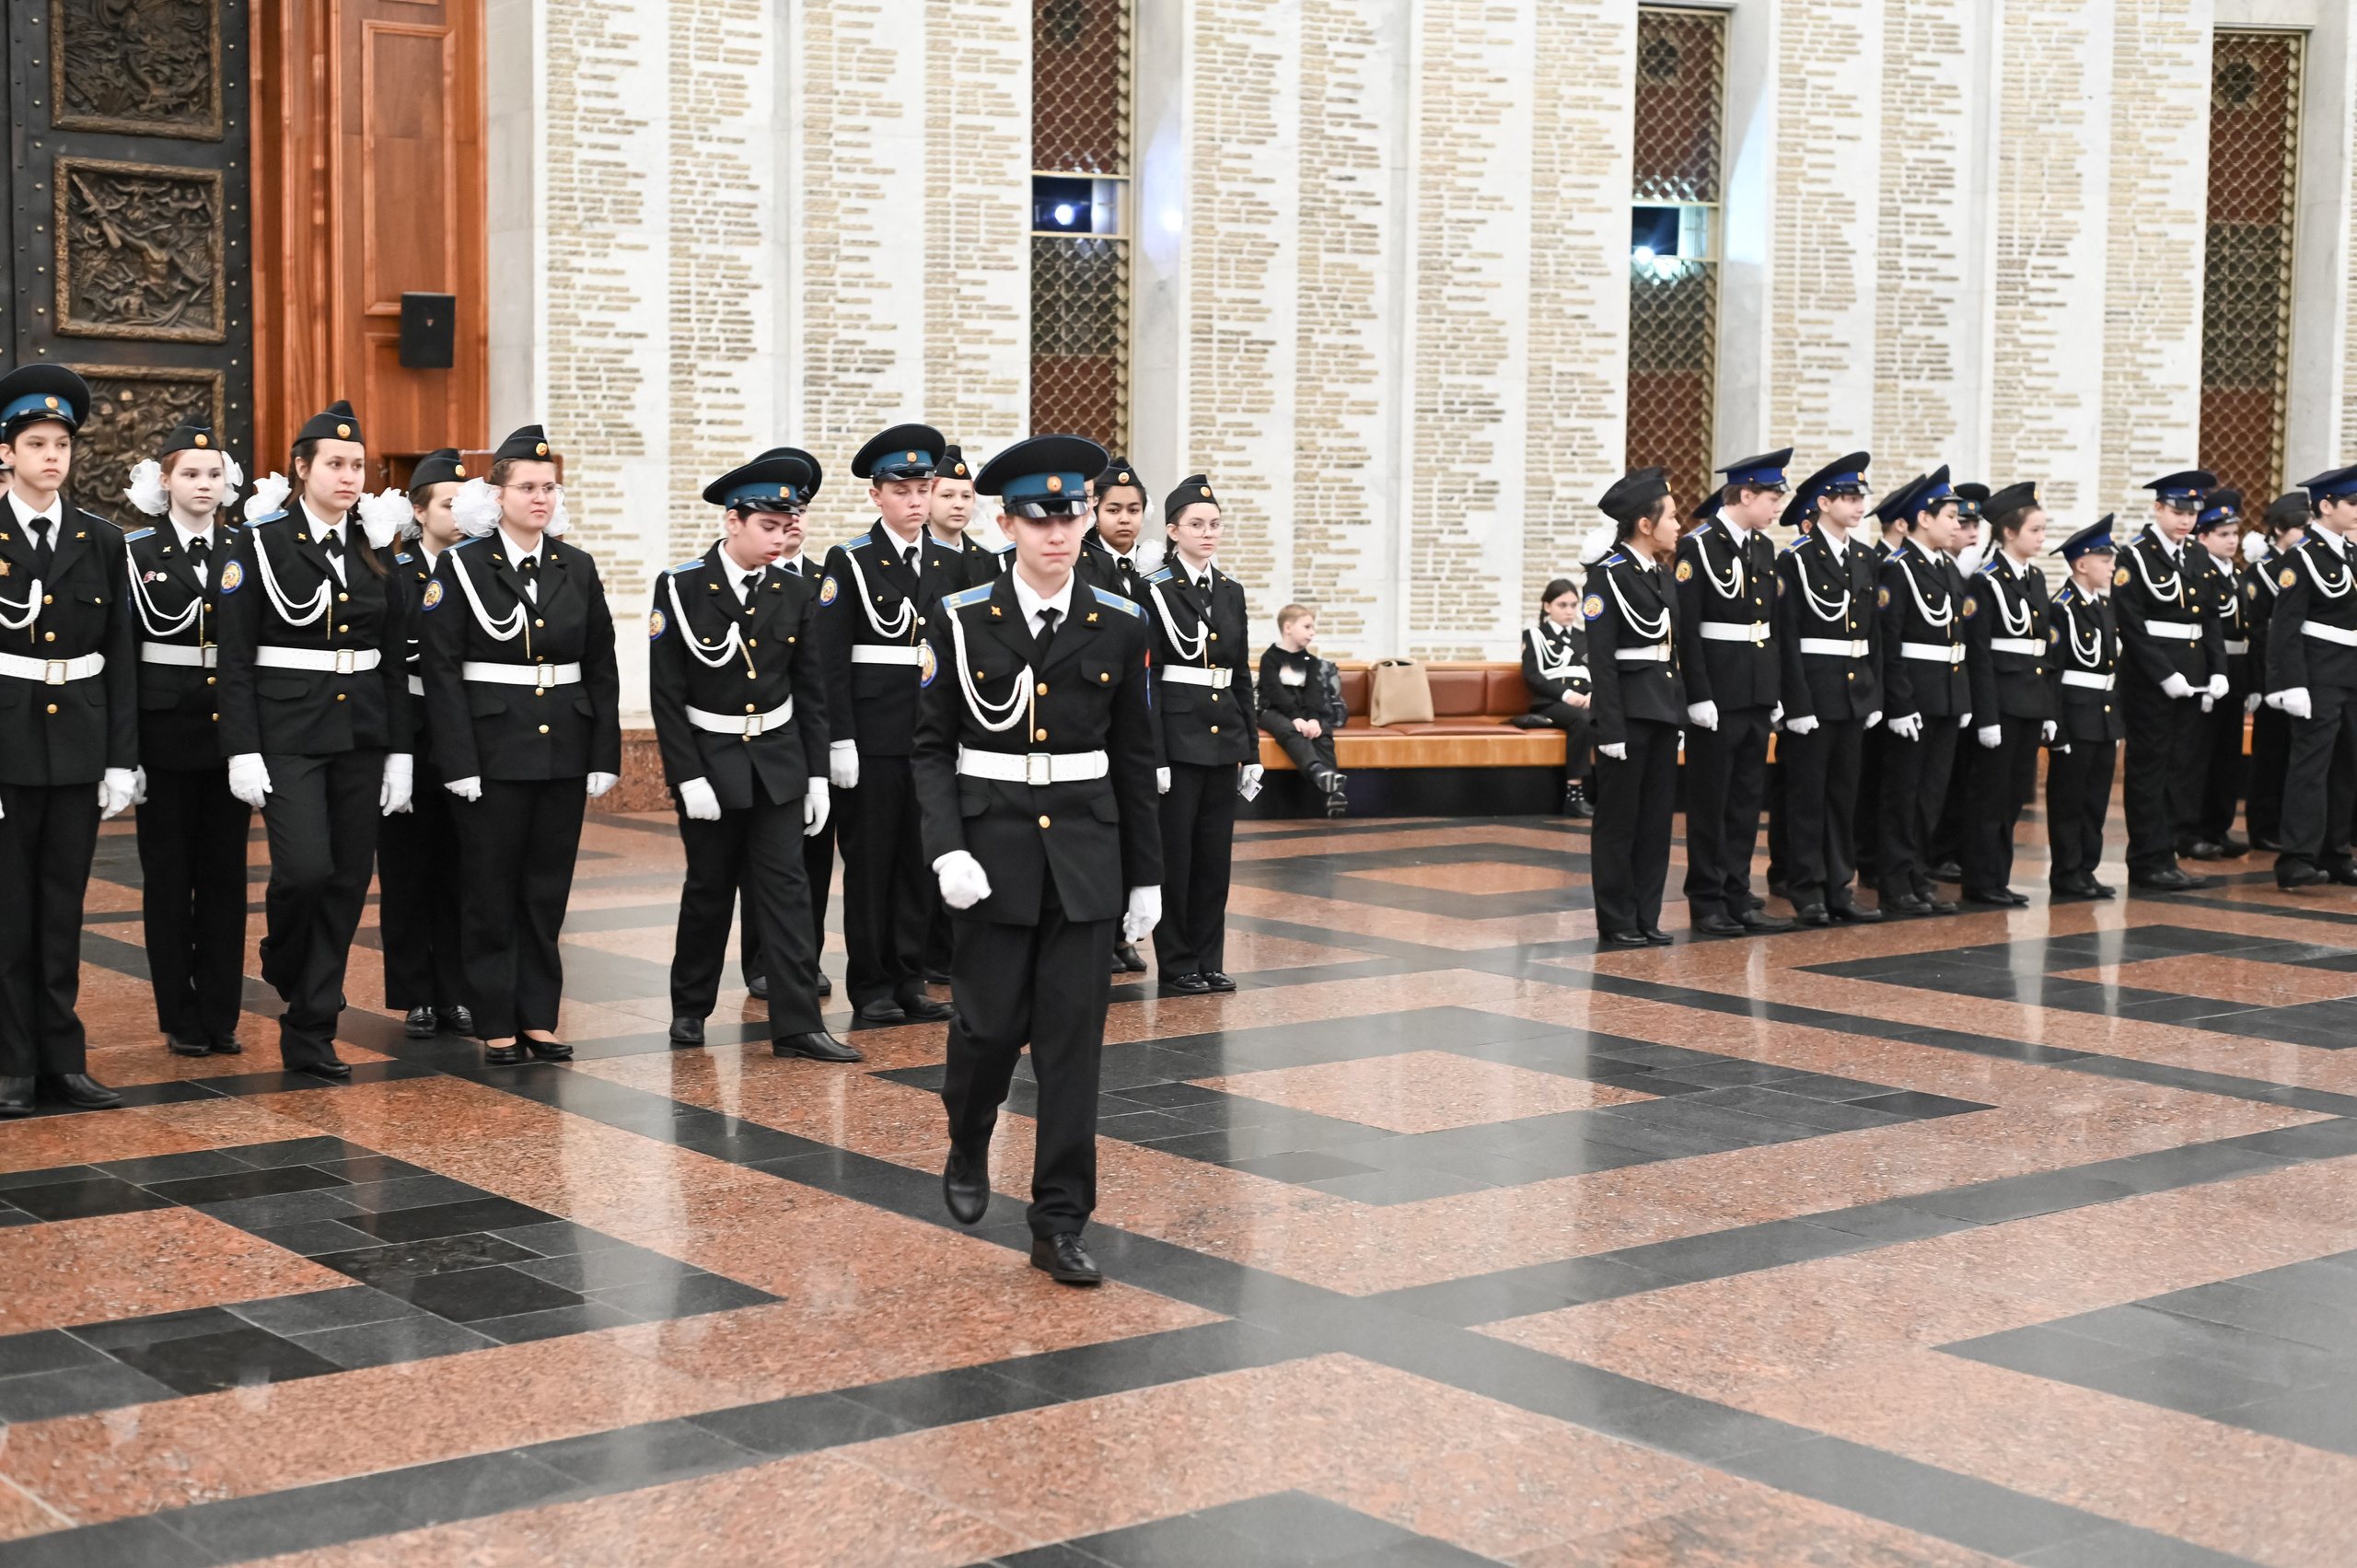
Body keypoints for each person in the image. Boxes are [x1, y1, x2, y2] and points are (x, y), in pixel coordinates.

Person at [915, 434, 1161, 1286]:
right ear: (1006, 521)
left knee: (1071, 1048)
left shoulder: (1122, 623)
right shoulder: (962, 614)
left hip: (1087, 859)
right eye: (1038, 516)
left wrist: (1148, 875)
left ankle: (1059, 1220)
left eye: (1072, 514)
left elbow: (1134, 756)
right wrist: (946, 847)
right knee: (984, 1031)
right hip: (991, 851)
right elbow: (928, 748)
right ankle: (968, 1132)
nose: (1057, 532)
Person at [216, 400, 413, 1078]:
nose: (349, 475)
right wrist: (241, 747)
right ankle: (285, 956)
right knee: (303, 871)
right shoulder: (259, 545)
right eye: (335, 463)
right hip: (288, 731)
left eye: (358, 465)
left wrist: (402, 753)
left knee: (348, 879)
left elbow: (392, 658)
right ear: (302, 469)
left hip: (361, 730)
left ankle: (312, 1025)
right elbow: (235, 657)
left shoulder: (376, 546)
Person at [419, 424, 621, 1064]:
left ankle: (539, 1016)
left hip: (562, 745)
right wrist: (458, 760)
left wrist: (604, 753)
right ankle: (495, 1018)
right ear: (498, 494)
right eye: (528, 487)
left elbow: (601, 664)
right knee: (490, 889)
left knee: (545, 891)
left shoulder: (576, 566)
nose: (541, 498)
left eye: (549, 487)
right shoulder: (464, 565)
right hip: (492, 749)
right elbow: (442, 669)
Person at [653, 449, 853, 1063]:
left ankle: (797, 1023)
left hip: (778, 760)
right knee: (709, 888)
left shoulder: (793, 591)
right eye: (768, 525)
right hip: (711, 760)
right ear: (732, 520)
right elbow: (668, 696)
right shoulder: (682, 588)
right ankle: (690, 1008)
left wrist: (816, 776)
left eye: (787, 523)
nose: (780, 536)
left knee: (788, 892)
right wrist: (688, 777)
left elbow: (810, 691)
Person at [0, 366, 134, 1116]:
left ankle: (64, 1060)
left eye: (62, 445)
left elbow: (120, 658)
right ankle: (14, 1064)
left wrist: (120, 758)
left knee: (62, 909)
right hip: (7, 748)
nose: (52, 457)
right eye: (37, 443)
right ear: (8, 454)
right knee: (8, 914)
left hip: (78, 746)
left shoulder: (101, 539)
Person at [817, 424, 974, 1026]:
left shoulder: (949, 562)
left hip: (930, 741)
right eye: (903, 489)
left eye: (923, 487)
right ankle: (873, 984)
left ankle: (911, 979)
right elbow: (831, 660)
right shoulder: (851, 561)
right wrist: (840, 738)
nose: (916, 500)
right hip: (874, 742)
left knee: (918, 861)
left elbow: (957, 659)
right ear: (877, 495)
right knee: (872, 866)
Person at [121, 421, 251, 1058]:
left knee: (227, 877)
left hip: (228, 732)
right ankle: (179, 1013)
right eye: (191, 474)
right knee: (169, 880)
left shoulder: (244, 549)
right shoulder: (136, 551)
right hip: (164, 733)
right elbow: (122, 653)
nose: (204, 485)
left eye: (214, 475)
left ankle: (221, 1011)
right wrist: (126, 751)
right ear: (164, 481)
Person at [1144, 475, 1260, 995]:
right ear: (1173, 531)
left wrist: (1252, 750)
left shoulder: (1231, 591)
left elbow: (1240, 676)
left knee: (1215, 858)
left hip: (1223, 740)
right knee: (1178, 856)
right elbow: (1145, 678)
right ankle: (1177, 962)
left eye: (1215, 525)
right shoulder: (1155, 590)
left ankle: (1209, 958)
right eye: (1197, 525)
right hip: (1178, 737)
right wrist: (1156, 754)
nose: (1208, 533)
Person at [377, 448, 473, 1039]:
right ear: (418, 510)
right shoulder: (395, 572)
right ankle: (416, 992)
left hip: (461, 729)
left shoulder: (477, 568)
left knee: (460, 865)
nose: (460, 513)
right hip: (408, 726)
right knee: (407, 866)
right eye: (448, 503)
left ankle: (456, 991)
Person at [1676, 449, 1791, 935]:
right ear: (1745, 495)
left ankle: (1737, 892)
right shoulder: (1698, 547)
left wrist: (1775, 689)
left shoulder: (1762, 548)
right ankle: (1706, 898)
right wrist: (1698, 695)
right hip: (1717, 696)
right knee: (1710, 799)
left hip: (1756, 692)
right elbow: (1687, 628)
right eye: (1771, 497)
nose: (1777, 507)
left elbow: (1768, 627)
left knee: (1746, 799)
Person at [1771, 453, 1883, 925]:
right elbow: (1787, 635)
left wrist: (1874, 695)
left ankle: (1839, 886)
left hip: (1853, 692)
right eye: (1849, 498)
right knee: (1807, 795)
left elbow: (1872, 633)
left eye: (1861, 498)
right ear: (1823, 503)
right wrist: (1795, 702)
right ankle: (1807, 889)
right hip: (1813, 696)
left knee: (1843, 795)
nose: (1859, 507)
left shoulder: (1864, 556)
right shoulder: (1795, 558)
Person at [1585, 468, 1684, 947]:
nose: (1678, 524)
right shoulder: (1607, 577)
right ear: (1645, 524)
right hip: (1627, 715)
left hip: (1663, 710)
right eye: (1671, 516)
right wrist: (1610, 728)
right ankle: (1617, 918)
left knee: (1655, 821)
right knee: (1618, 822)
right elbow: (1602, 663)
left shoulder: (1662, 574)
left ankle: (1647, 915)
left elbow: (1670, 650)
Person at [2115, 470, 2226, 891]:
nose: (2186, 520)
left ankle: (2169, 852)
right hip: (2152, 681)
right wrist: (2165, 675)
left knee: (2181, 769)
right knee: (2150, 770)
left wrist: (2218, 671)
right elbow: (2131, 625)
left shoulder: (2197, 557)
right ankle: (2147, 858)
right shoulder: (2135, 557)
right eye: (2178, 511)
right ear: (2158, 508)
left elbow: (2210, 619)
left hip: (2194, 676)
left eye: (2193, 512)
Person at [1875, 469, 1968, 916]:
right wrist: (1899, 703)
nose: (1959, 523)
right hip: (1914, 699)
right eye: (1950, 515)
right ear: (1922, 519)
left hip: (1946, 697)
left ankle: (1918, 873)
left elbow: (1955, 640)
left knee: (1931, 794)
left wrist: (1962, 698)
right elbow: (1889, 644)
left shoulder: (1945, 567)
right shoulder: (1896, 569)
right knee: (1902, 794)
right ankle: (1894, 882)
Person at [1958, 483, 2055, 906]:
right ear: (2009, 533)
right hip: (2001, 703)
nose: (2042, 538)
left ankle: (1999, 877)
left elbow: (2043, 650)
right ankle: (1980, 879)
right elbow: (1979, 655)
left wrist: (2048, 707)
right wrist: (1987, 716)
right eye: (2035, 530)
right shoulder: (1986, 582)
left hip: (2030, 701)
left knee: (2014, 795)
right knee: (1989, 797)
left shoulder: (2034, 577)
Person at [2264, 464, 2357, 889]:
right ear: (2326, 506)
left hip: (2351, 674)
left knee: (2346, 767)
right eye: (2352, 504)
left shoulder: (2351, 552)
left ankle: (2335, 853)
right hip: (2317, 675)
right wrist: (2291, 683)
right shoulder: (2300, 557)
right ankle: (2297, 857)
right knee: (2310, 768)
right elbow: (2284, 627)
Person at [2047, 517, 2123, 899]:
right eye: (2105, 558)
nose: (2112, 566)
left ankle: (2086, 869)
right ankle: (2065, 872)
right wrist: (2055, 725)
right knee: (2069, 799)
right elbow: (2053, 671)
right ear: (2081, 564)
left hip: (2103, 715)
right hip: (2075, 714)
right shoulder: (2061, 608)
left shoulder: (2105, 606)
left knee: (2095, 800)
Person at [2183, 490, 2251, 860]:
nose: (2232, 541)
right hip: (2210, 669)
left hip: (2236, 671)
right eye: (2223, 534)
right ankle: (2190, 830)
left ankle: (2218, 827)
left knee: (2228, 755)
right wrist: (2209, 676)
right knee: (2200, 755)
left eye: (2235, 534)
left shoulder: (2237, 575)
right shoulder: (2202, 573)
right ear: (2203, 537)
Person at [2245, 493, 2308, 851]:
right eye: (2301, 527)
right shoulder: (2263, 572)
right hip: (2272, 671)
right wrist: (2259, 681)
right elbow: (2257, 632)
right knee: (2270, 751)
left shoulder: (2302, 564)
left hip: (2300, 668)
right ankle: (2263, 825)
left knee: (2295, 751)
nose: (2306, 533)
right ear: (2280, 530)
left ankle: (2288, 822)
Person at [1260, 603, 1349, 815]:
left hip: (1303, 714)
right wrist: (1296, 718)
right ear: (1288, 628)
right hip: (1272, 711)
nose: (1313, 632)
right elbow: (1275, 692)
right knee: (1289, 731)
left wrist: (1314, 719)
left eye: (1313, 627)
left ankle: (1332, 791)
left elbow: (1314, 695)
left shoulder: (1312, 661)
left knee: (1323, 732)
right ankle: (1317, 771)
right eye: (1307, 626)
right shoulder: (1270, 658)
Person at [1521, 579, 1594, 819]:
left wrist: (1594, 694)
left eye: (1574, 605)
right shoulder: (1535, 636)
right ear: (1547, 606)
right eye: (1562, 605)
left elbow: (1598, 670)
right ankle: (1574, 794)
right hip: (1550, 704)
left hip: (1585, 702)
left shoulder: (1585, 637)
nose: (1570, 611)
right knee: (1582, 721)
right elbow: (1532, 676)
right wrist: (1567, 695)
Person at [1079, 459, 1152, 603]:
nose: (1124, 519)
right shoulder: (1077, 563)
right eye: (1113, 510)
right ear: (1095, 513)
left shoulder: (1155, 563)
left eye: (1133, 510)